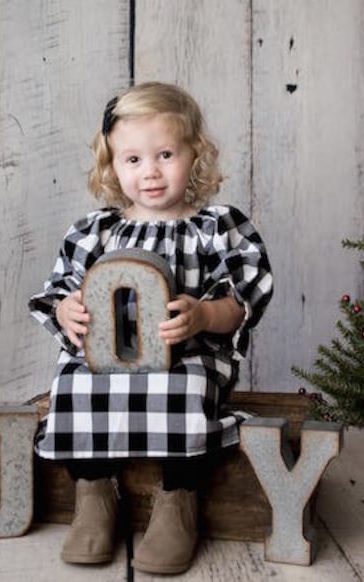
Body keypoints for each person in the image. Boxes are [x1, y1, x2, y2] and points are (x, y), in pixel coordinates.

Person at [29, 82, 273, 575]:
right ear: (112, 165)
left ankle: (178, 500)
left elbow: (242, 297)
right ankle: (94, 492)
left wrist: (204, 315)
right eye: (133, 159)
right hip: (106, 355)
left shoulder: (216, 227)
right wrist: (66, 312)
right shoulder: (95, 231)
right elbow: (60, 291)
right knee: (73, 385)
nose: (151, 172)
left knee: (183, 391)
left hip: (186, 354)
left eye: (165, 154)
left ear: (195, 155)